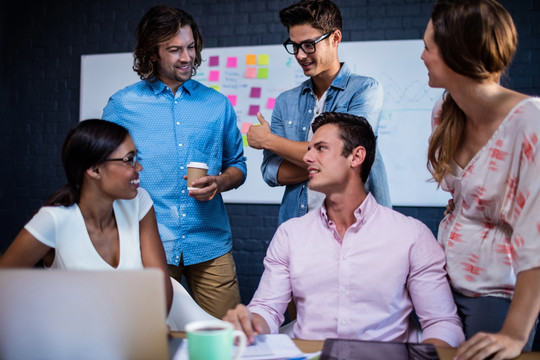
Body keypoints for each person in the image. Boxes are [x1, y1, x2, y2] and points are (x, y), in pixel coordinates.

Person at [224, 112, 464, 347]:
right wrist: (249, 323)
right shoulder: (291, 234)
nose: (307, 158)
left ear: (356, 156)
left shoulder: (412, 235)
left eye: (320, 148)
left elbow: (441, 323)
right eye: (309, 149)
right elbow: (266, 310)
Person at [102, 5, 246, 318]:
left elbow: (238, 165)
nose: (187, 57)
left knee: (230, 334)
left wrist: (220, 182)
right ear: (152, 53)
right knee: (148, 337)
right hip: (148, 243)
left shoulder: (217, 104)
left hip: (210, 243)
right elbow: (101, 171)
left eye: (191, 47)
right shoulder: (122, 105)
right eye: (174, 49)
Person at [422, 0, 540, 359]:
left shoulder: (530, 122)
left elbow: (537, 237)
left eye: (428, 47)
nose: (423, 56)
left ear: (456, 55)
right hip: (445, 279)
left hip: (496, 291)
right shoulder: (444, 112)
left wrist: (514, 334)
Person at [0, 120, 173, 311]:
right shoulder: (53, 220)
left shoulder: (139, 201)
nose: (138, 167)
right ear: (94, 170)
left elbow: (160, 286)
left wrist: (147, 328)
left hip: (141, 331)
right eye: (129, 159)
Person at [247, 0, 392, 226]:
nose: (300, 55)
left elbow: (350, 156)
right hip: (300, 225)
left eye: (308, 44)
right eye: (294, 46)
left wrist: (269, 140)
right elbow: (272, 172)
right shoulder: (286, 102)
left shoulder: (365, 90)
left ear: (335, 38)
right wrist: (327, 164)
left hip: (358, 226)